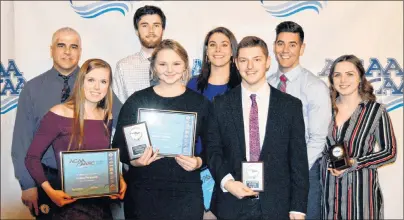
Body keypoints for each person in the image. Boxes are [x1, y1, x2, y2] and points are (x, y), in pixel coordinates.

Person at [11, 27, 122, 219]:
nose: (68, 51)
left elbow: (122, 123)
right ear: (51, 49)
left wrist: (117, 176)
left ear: (80, 51)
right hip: (49, 180)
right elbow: (22, 142)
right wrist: (28, 184)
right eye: (61, 45)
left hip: (94, 185)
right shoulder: (33, 88)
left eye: (74, 46)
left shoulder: (98, 85)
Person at [207, 36, 308, 220]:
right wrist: (228, 183)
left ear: (268, 62)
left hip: (277, 206)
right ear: (236, 63)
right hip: (231, 204)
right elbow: (213, 151)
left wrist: (298, 208)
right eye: (244, 60)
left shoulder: (290, 106)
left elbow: (298, 161)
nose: (250, 66)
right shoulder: (220, 104)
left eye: (257, 59)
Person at [112, 39, 210, 220]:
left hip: (185, 194)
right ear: (154, 67)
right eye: (163, 64)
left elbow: (214, 147)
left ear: (185, 67)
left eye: (176, 63)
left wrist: (198, 161)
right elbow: (118, 145)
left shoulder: (200, 104)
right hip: (143, 193)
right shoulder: (137, 101)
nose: (170, 70)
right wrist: (134, 161)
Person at [267, 21, 331, 219]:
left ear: (302, 48)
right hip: (271, 174)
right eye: (280, 43)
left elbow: (318, 139)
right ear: (274, 45)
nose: (285, 50)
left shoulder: (315, 87)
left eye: (292, 44)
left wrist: (295, 170)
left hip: (304, 173)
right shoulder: (266, 84)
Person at [320, 54, 397, 220]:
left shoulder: (376, 111)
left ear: (360, 78)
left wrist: (355, 162)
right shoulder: (324, 110)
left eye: (350, 74)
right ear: (331, 79)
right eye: (337, 74)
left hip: (361, 202)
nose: (343, 80)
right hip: (329, 200)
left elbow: (390, 152)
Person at [187, 26, 241, 215]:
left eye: (224, 45)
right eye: (212, 45)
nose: (218, 50)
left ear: (233, 50)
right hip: (195, 166)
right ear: (206, 51)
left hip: (229, 170)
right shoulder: (192, 85)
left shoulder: (241, 86)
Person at [113, 5, 166, 103]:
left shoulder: (177, 66)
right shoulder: (123, 67)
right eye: (145, 25)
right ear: (137, 31)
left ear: (162, 30)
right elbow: (118, 107)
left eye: (156, 25)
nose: (151, 30)